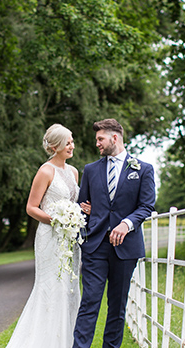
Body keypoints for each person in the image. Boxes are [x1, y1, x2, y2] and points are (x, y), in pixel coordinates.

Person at [6, 124, 92, 348]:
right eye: (67, 142)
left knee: (69, 288)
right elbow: (31, 207)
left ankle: (66, 341)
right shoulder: (45, 171)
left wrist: (82, 211)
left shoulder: (73, 172)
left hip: (71, 239)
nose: (71, 145)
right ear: (55, 146)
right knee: (51, 287)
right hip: (50, 237)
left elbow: (75, 203)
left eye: (72, 141)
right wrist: (56, 220)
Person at [73, 119, 155, 348]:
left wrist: (126, 224)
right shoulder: (90, 170)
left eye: (100, 139)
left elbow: (146, 206)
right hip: (95, 247)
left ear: (114, 138)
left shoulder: (143, 169)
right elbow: (83, 205)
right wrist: (85, 212)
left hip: (126, 248)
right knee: (89, 303)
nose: (97, 143)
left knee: (117, 307)